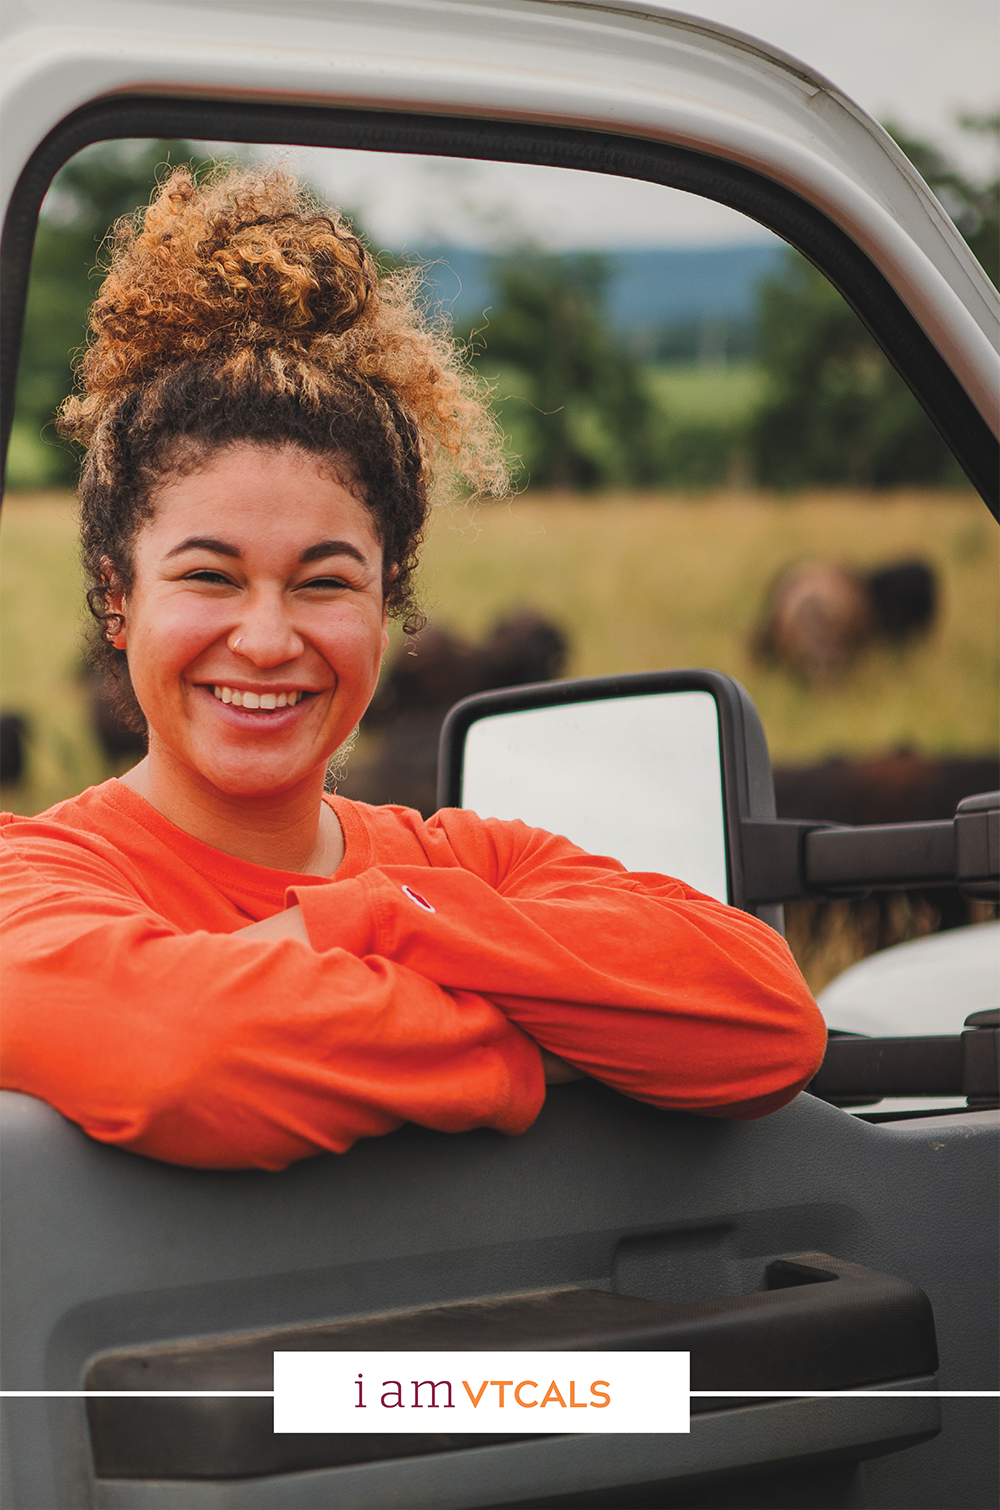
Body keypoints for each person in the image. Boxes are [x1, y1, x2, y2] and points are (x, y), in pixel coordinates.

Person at [0, 167, 825, 1171]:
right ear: (117, 596)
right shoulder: (31, 876)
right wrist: (531, 1043)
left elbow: (765, 1016)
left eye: (325, 583)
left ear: (387, 604)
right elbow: (178, 1054)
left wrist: (378, 912)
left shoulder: (468, 862)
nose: (266, 639)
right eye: (210, 575)